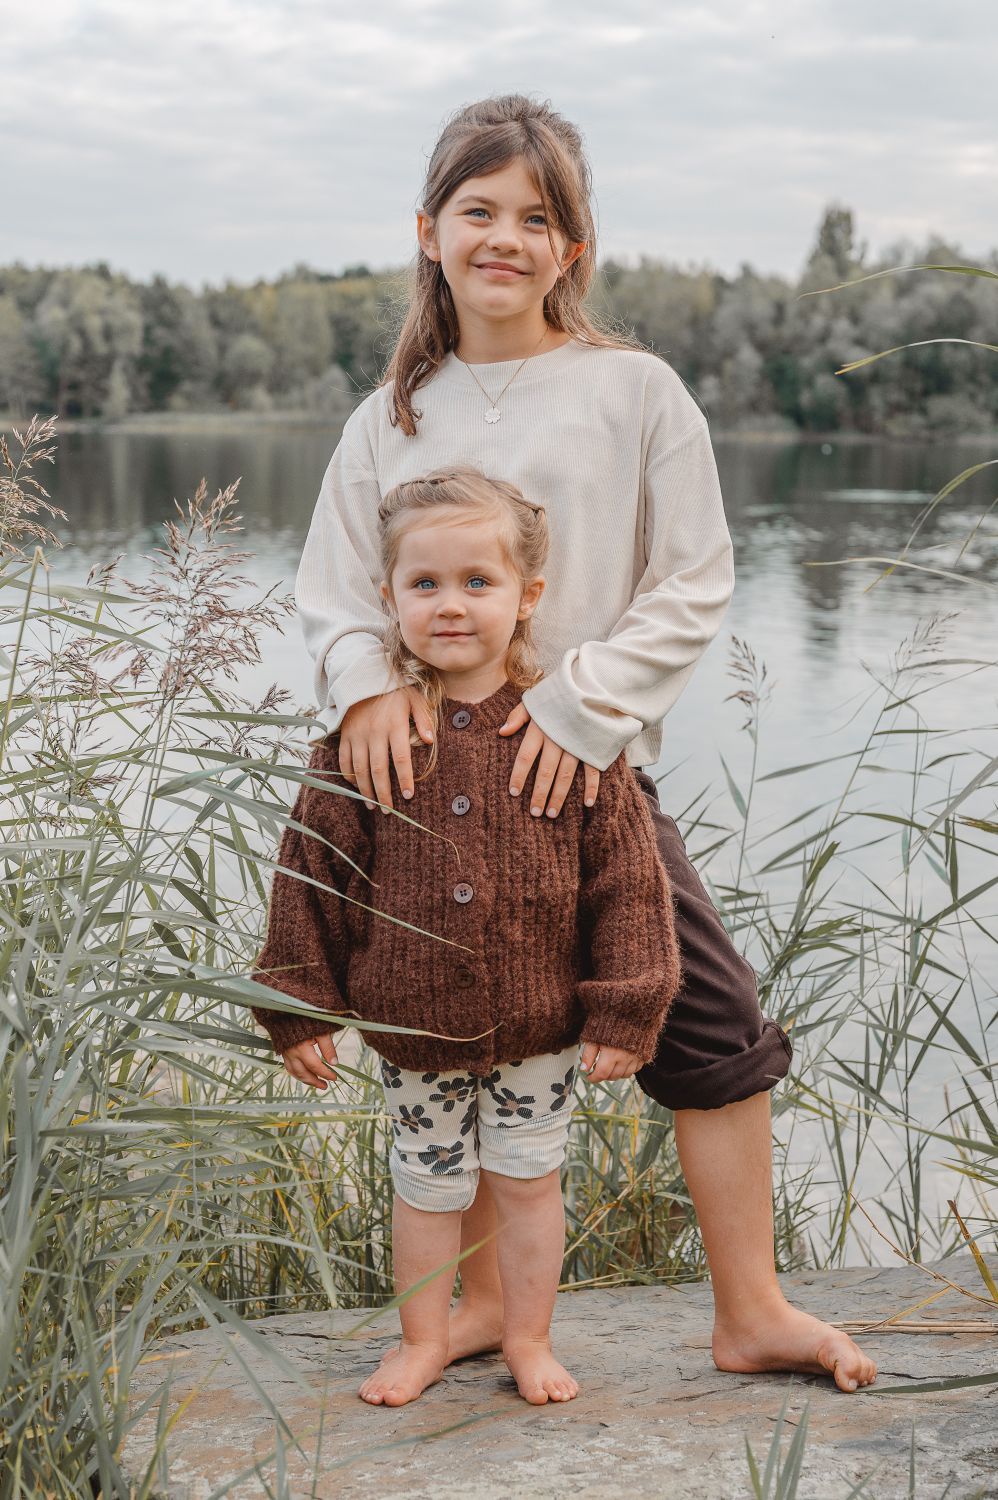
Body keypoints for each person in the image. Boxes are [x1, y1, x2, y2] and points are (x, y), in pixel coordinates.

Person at [288, 94, 877, 1396]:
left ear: (573, 248)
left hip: (577, 776)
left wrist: (576, 706)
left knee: (710, 1024)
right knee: (479, 1024)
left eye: (535, 217)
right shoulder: (389, 415)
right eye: (478, 211)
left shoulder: (630, 391)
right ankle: (485, 1306)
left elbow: (695, 579)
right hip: (421, 790)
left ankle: (752, 1310)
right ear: (429, 232)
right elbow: (334, 590)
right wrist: (359, 689)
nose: (504, 237)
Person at [251, 467, 682, 1408]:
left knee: (528, 1184)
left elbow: (628, 889)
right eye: (426, 584)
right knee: (428, 1188)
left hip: (541, 1028)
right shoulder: (359, 743)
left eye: (477, 583)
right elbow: (309, 879)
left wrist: (627, 1006)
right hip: (415, 1030)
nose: (451, 606)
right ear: (387, 598)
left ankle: (527, 1338)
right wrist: (298, 1007)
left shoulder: (568, 739)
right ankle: (426, 1339)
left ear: (528, 597)